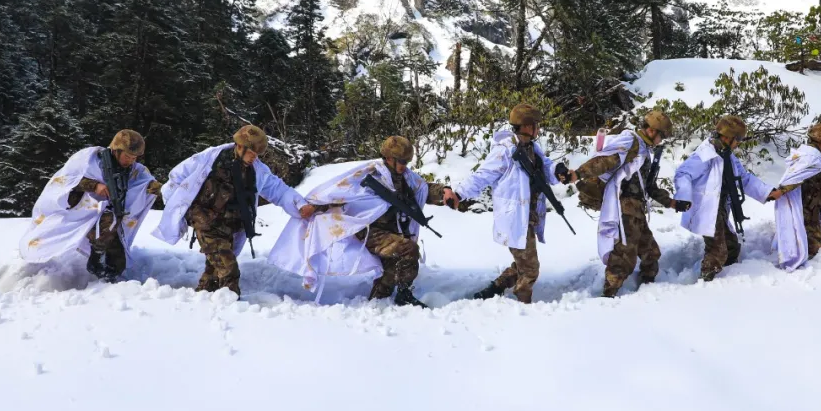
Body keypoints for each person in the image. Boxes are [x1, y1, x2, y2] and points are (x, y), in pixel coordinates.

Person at [269, 136, 449, 307]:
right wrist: (314, 206)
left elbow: (423, 189)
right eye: (400, 161)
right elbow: (339, 193)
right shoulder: (370, 175)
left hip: (394, 231)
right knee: (407, 249)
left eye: (406, 162)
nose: (404, 166)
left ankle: (379, 300)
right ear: (388, 158)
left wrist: (444, 193)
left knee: (396, 262)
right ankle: (403, 296)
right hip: (371, 231)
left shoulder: (407, 178)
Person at [152, 125, 314, 298]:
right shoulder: (210, 158)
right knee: (228, 268)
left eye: (257, 154)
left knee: (214, 269)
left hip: (231, 225)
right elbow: (177, 177)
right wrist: (176, 207)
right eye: (251, 152)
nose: (254, 157)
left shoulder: (257, 171)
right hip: (205, 221)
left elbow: (279, 190)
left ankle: (204, 296)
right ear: (239, 146)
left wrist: (300, 205)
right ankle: (231, 300)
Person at [443, 104, 565, 304]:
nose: (539, 129)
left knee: (522, 262)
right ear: (526, 126)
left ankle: (497, 287)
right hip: (515, 216)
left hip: (530, 214)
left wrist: (558, 170)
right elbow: (482, 176)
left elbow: (546, 167)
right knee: (530, 269)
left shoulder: (532, 147)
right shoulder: (505, 151)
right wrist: (459, 194)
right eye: (536, 125)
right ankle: (522, 303)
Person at [561, 111, 688, 297]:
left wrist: (672, 203)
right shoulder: (631, 142)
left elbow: (649, 186)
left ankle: (648, 287)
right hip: (625, 208)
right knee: (623, 257)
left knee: (650, 252)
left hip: (637, 209)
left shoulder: (644, 150)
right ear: (652, 131)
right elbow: (605, 161)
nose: (661, 141)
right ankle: (608, 296)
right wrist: (578, 174)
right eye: (662, 136)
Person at [20, 130, 163, 281]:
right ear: (116, 150)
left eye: (134, 158)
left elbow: (146, 184)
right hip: (79, 211)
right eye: (127, 156)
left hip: (111, 218)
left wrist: (165, 190)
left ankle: (108, 279)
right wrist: (94, 186)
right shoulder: (89, 159)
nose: (130, 161)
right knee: (107, 221)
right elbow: (66, 180)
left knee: (118, 264)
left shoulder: (134, 170)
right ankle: (96, 259)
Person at [673, 115, 780, 282]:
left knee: (731, 246)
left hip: (720, 208)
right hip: (707, 209)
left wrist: (767, 192)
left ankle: (729, 278)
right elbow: (683, 174)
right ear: (727, 137)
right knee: (718, 251)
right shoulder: (705, 154)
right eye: (737, 139)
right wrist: (683, 197)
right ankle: (706, 281)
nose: (738, 143)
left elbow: (744, 178)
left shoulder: (727, 155)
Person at [771, 122, 821, 269]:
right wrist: (781, 191)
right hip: (805, 210)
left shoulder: (814, 155)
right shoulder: (811, 157)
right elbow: (795, 177)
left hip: (812, 206)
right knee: (812, 247)